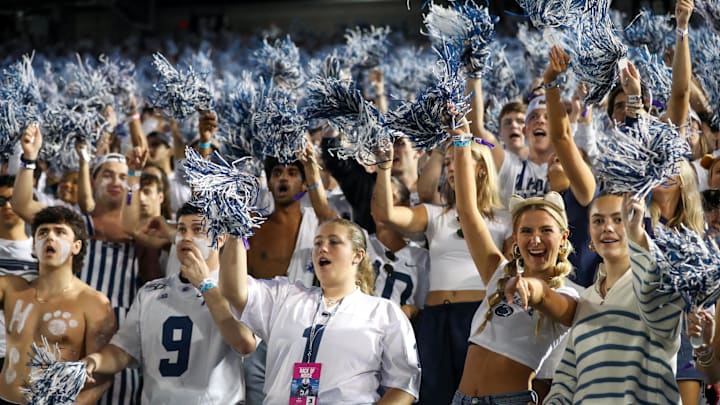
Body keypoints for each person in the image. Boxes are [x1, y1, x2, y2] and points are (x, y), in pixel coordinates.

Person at [220, 217, 421, 404]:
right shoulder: (286, 296)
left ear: (357, 255)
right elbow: (234, 291)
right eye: (317, 243)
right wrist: (235, 232)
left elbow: (404, 385)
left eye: (334, 242)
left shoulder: (383, 313)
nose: (322, 248)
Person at [373, 133, 508, 405]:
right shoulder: (434, 213)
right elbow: (387, 214)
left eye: (456, 159)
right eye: (446, 162)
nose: (450, 167)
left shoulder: (505, 219)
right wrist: (384, 168)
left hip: (478, 317)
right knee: (432, 397)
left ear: (481, 166)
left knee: (477, 396)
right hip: (434, 318)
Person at [11, 125, 142, 405]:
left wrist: (135, 176)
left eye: (122, 175)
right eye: (107, 174)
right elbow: (22, 203)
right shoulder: (74, 223)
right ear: (92, 182)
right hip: (76, 325)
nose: (115, 181)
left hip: (125, 333)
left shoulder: (140, 226)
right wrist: (28, 159)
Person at [452, 117, 579, 403]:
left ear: (563, 238)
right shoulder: (498, 274)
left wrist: (529, 289)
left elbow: (543, 295)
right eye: (526, 231)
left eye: (546, 230)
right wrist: (462, 142)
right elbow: (468, 211)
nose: (535, 239)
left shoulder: (569, 296)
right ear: (516, 238)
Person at [82, 203, 255, 404]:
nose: (187, 237)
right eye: (181, 230)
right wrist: (94, 361)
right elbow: (123, 351)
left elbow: (244, 344)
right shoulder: (150, 292)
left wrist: (205, 285)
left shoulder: (238, 288)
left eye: (198, 230)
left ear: (221, 238)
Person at [544, 194, 685, 403]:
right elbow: (567, 378)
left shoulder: (660, 285)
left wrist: (636, 234)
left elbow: (653, 299)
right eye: (598, 221)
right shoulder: (586, 298)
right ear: (590, 235)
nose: (607, 228)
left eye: (619, 219)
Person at [0, 206, 116, 404]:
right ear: (34, 246)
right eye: (43, 232)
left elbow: (101, 378)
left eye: (60, 231)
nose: (50, 237)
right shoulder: (11, 289)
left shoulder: (94, 303)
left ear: (76, 246)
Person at [0, 175, 38, 370]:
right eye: (1, 201)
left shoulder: (44, 252)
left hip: (25, 359)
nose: (7, 206)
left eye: (13, 200)